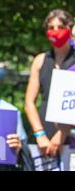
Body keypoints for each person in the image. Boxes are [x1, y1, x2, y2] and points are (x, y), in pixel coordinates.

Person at [25, 9, 75, 157]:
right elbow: (29, 102)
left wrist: (61, 135)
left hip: (70, 137)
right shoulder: (40, 60)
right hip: (44, 138)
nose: (56, 31)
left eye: (60, 27)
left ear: (69, 29)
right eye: (51, 28)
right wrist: (39, 134)